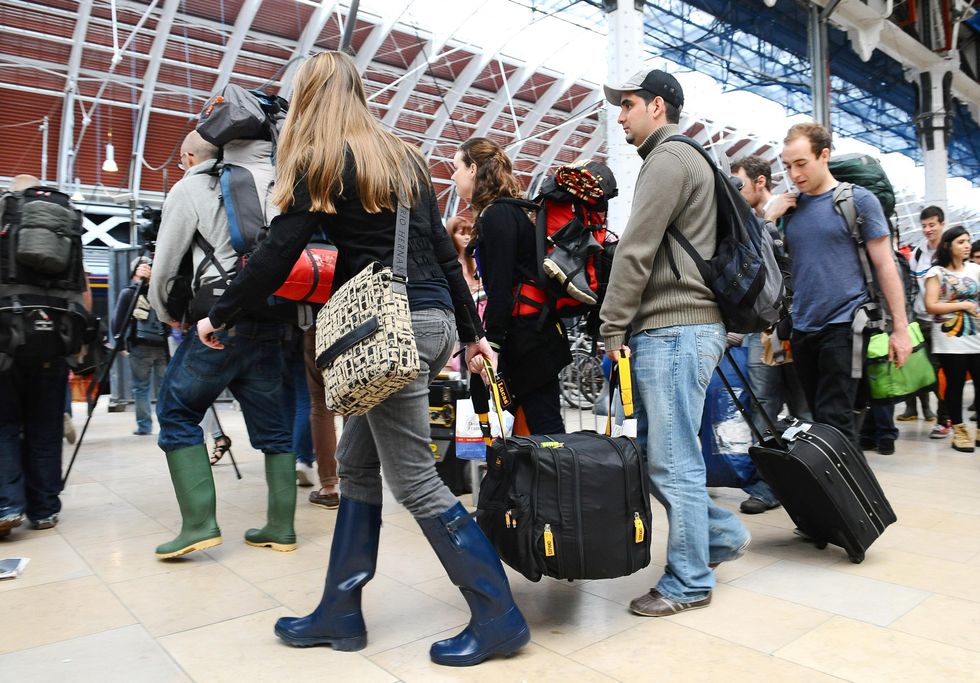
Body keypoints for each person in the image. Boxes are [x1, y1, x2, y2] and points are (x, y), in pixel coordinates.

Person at [195, 51, 529, 667]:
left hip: (380, 328)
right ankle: (340, 611)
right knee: (356, 464)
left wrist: (221, 313)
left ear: (310, 97)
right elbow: (437, 247)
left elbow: (277, 251)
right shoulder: (401, 155)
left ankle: (498, 615)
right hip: (425, 324)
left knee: (416, 481)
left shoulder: (322, 157)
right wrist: (470, 331)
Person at [600, 68, 751, 617]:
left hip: (674, 326)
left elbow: (635, 251)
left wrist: (611, 326)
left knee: (672, 460)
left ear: (657, 107)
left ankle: (689, 580)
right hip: (688, 328)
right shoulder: (692, 159)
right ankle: (720, 536)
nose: (621, 116)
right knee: (669, 457)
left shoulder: (668, 160)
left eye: (629, 104)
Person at [148, 130, 297, 559]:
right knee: (274, 427)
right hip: (271, 317)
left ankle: (198, 525)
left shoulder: (191, 186)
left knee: (176, 412)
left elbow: (164, 267)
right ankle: (280, 527)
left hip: (218, 319)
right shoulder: (273, 183)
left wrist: (166, 312)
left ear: (189, 155)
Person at [765, 123, 912, 448]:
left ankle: (849, 499)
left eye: (801, 163)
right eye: (788, 166)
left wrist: (900, 329)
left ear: (824, 155)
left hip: (845, 327)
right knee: (820, 422)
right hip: (803, 328)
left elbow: (886, 265)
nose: (794, 174)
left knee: (836, 424)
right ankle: (838, 496)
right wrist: (769, 217)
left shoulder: (858, 201)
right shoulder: (790, 209)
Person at [450, 137, 571, 434]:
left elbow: (501, 288)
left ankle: (560, 479)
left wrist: (492, 344)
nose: (452, 176)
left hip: (528, 339)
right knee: (533, 429)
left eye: (456, 167)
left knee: (544, 431)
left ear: (473, 169)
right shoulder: (508, 211)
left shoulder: (497, 215)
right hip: (535, 334)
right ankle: (536, 479)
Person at [1, 174, 89, 536]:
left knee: (4, 425)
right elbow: (83, 293)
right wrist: (78, 345)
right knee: (46, 427)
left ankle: (7, 505)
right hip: (54, 340)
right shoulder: (66, 225)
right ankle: (45, 509)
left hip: (5, 340)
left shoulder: (6, 217)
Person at [730, 155, 810, 513]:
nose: (735, 191)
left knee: (803, 406)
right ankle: (768, 484)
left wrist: (770, 220)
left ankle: (810, 478)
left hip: (796, 327)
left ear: (761, 182)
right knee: (761, 406)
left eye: (740, 183)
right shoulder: (747, 222)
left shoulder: (790, 215)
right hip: (760, 332)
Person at [923, 226, 980, 452]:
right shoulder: (936, 272)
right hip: (949, 339)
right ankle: (959, 431)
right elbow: (931, 305)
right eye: (960, 242)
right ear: (948, 246)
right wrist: (965, 305)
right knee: (955, 385)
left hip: (975, 336)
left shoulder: (975, 269)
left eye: (968, 241)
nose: (967, 245)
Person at [899, 205, 946, 433]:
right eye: (924, 225)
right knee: (916, 364)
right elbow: (910, 287)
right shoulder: (918, 253)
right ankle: (915, 408)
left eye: (932, 225)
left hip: (944, 322)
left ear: (942, 225)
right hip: (920, 319)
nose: (928, 229)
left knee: (938, 369)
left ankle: (938, 412)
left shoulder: (949, 252)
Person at [111, 256, 169, 436]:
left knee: (141, 388)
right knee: (165, 388)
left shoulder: (128, 293)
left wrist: (120, 345)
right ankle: (168, 426)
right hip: (162, 346)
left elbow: (117, 321)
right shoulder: (161, 291)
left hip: (139, 346)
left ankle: (144, 427)